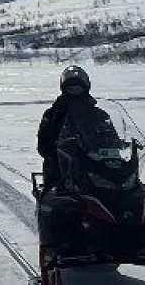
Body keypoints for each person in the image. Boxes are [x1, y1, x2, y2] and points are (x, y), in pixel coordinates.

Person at [36, 65, 94, 194]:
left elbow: (110, 137)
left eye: (77, 87)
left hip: (94, 164)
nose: (74, 90)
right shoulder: (53, 114)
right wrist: (59, 150)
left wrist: (120, 147)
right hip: (62, 167)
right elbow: (43, 144)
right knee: (56, 195)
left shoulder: (97, 114)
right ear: (64, 88)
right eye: (70, 87)